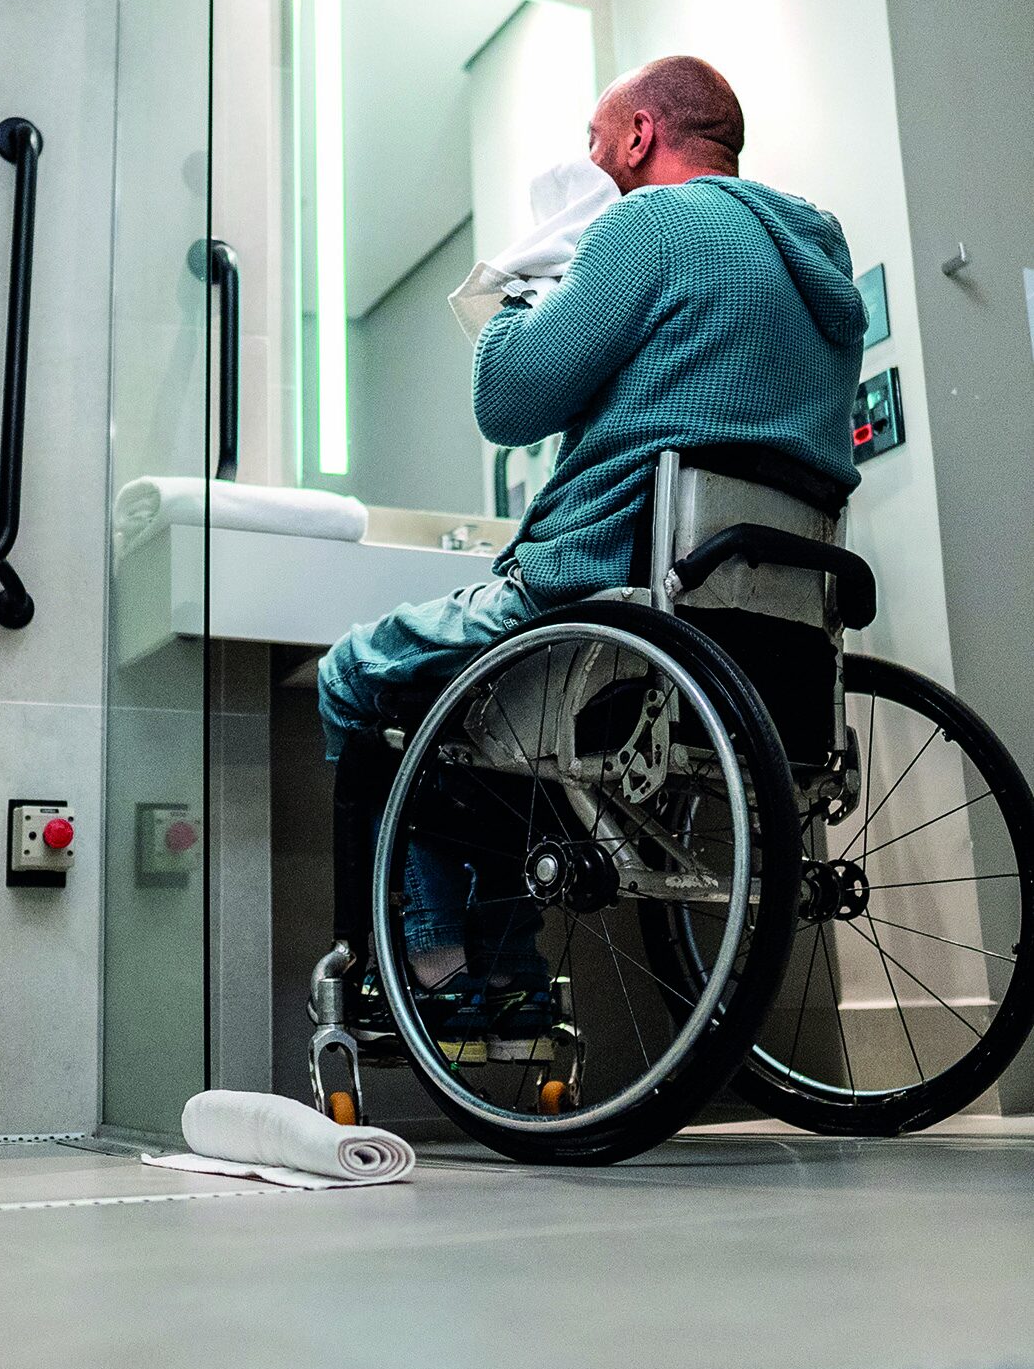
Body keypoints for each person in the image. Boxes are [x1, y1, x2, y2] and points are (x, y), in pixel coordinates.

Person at [318, 55, 868, 1043]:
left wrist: (524, 277)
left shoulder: (644, 224)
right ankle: (514, 973)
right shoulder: (817, 255)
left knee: (356, 675)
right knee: (489, 728)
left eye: (594, 143)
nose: (593, 162)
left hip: (605, 588)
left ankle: (428, 959)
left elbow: (510, 401)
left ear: (639, 139)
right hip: (775, 618)